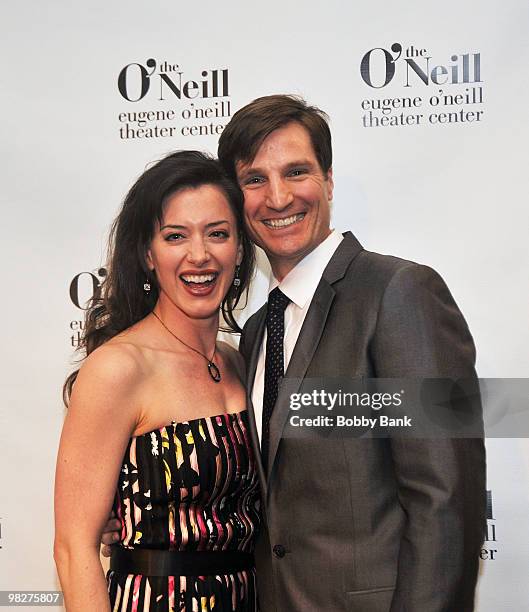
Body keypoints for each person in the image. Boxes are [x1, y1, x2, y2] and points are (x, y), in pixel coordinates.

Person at [103, 96, 487, 611]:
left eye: (297, 171)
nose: (278, 197)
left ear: (328, 180)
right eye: (255, 179)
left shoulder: (402, 293)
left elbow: (447, 504)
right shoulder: (259, 331)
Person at [54, 151, 260, 612]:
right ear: (148, 253)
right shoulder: (119, 368)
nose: (200, 255)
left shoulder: (243, 363)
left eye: (218, 234)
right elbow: (74, 549)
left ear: (241, 248)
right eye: (175, 236)